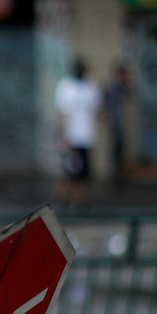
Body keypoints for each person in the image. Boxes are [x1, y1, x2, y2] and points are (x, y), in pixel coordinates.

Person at [53, 57, 102, 208]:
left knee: (83, 172)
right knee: (68, 172)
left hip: (86, 136)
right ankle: (59, 199)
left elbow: (97, 109)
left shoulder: (91, 86)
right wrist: (63, 136)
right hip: (71, 136)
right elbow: (61, 113)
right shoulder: (66, 86)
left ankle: (79, 202)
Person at [102, 61, 131, 185]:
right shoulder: (114, 87)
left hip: (117, 121)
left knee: (119, 149)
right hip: (115, 121)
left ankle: (117, 175)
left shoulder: (119, 86)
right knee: (116, 149)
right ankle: (115, 176)